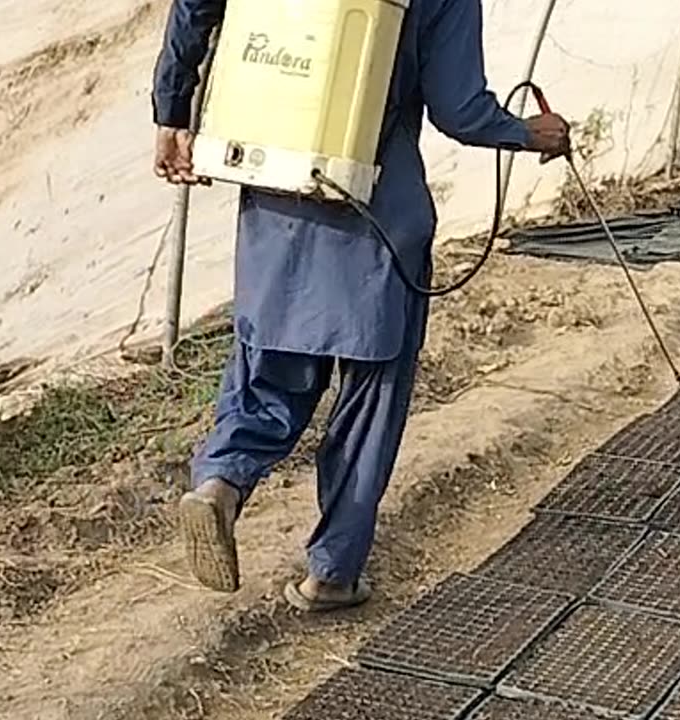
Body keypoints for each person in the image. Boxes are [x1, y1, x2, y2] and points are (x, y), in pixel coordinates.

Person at [152, 0, 571, 612]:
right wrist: (528, 133)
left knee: (266, 374)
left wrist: (172, 109)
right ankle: (332, 573)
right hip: (380, 214)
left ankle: (221, 481)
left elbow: (194, 7)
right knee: (369, 403)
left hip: (281, 194)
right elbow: (458, 109)